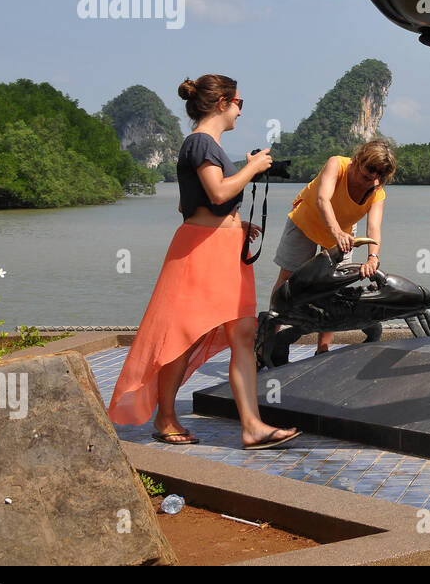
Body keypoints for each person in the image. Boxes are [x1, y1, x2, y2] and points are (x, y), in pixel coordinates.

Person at [108, 74, 300, 450]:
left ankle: (252, 425)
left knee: (244, 335)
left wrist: (235, 222)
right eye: (239, 104)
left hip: (225, 249)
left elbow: (192, 203)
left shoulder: (212, 148)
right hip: (201, 252)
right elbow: (216, 191)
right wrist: (253, 169)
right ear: (222, 103)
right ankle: (164, 417)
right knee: (182, 335)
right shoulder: (199, 143)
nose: (241, 112)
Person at [270, 140, 395, 354]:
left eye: (380, 173)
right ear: (358, 160)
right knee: (287, 279)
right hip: (307, 221)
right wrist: (336, 232)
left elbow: (373, 227)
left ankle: (323, 348)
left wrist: (373, 258)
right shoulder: (337, 164)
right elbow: (323, 199)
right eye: (370, 170)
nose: (373, 177)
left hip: (343, 232)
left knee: (334, 288)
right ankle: (267, 340)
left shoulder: (376, 190)